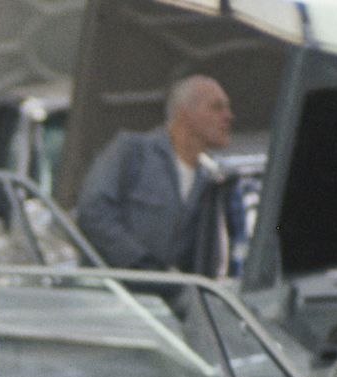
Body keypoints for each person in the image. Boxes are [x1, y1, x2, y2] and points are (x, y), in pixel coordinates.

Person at [75, 75, 235, 275]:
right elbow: (93, 212)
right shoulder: (132, 153)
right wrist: (140, 263)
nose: (228, 116)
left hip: (175, 291)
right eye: (216, 107)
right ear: (185, 113)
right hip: (118, 289)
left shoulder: (209, 180)